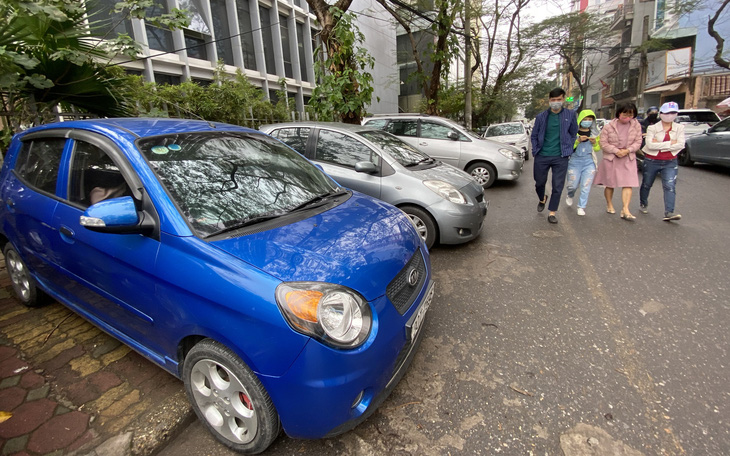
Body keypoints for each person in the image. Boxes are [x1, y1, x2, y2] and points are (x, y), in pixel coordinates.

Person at [530, 88, 578, 224]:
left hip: (561, 156)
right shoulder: (541, 117)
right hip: (542, 155)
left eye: (558, 100)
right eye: (553, 100)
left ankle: (552, 212)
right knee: (539, 183)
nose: (556, 102)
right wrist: (535, 150)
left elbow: (574, 133)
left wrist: (569, 147)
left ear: (563, 99)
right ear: (549, 101)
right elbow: (534, 135)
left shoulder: (570, 115)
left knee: (558, 185)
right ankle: (542, 198)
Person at [593, 102, 642, 220]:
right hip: (612, 158)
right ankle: (609, 204)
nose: (627, 116)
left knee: (628, 184)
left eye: (630, 114)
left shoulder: (636, 126)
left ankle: (625, 209)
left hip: (628, 157)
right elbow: (603, 143)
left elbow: (638, 141)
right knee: (610, 184)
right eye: (625, 113)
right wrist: (616, 151)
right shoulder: (608, 127)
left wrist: (628, 150)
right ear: (619, 113)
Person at [639, 101, 684, 221]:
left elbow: (680, 145)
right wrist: (670, 143)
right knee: (647, 183)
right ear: (662, 113)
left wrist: (659, 144)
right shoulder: (652, 128)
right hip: (651, 160)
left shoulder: (679, 128)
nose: (670, 115)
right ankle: (643, 203)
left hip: (670, 161)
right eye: (667, 112)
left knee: (670, 186)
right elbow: (650, 145)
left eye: (673, 112)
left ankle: (669, 212)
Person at [565, 110, 600, 216]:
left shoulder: (595, 133)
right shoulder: (572, 133)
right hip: (574, 161)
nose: (588, 122)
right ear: (580, 120)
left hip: (589, 162)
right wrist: (577, 141)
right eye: (585, 119)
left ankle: (581, 206)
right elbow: (568, 148)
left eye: (590, 120)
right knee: (573, 185)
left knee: (586, 186)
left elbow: (598, 149)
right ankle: (570, 194)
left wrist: (595, 143)